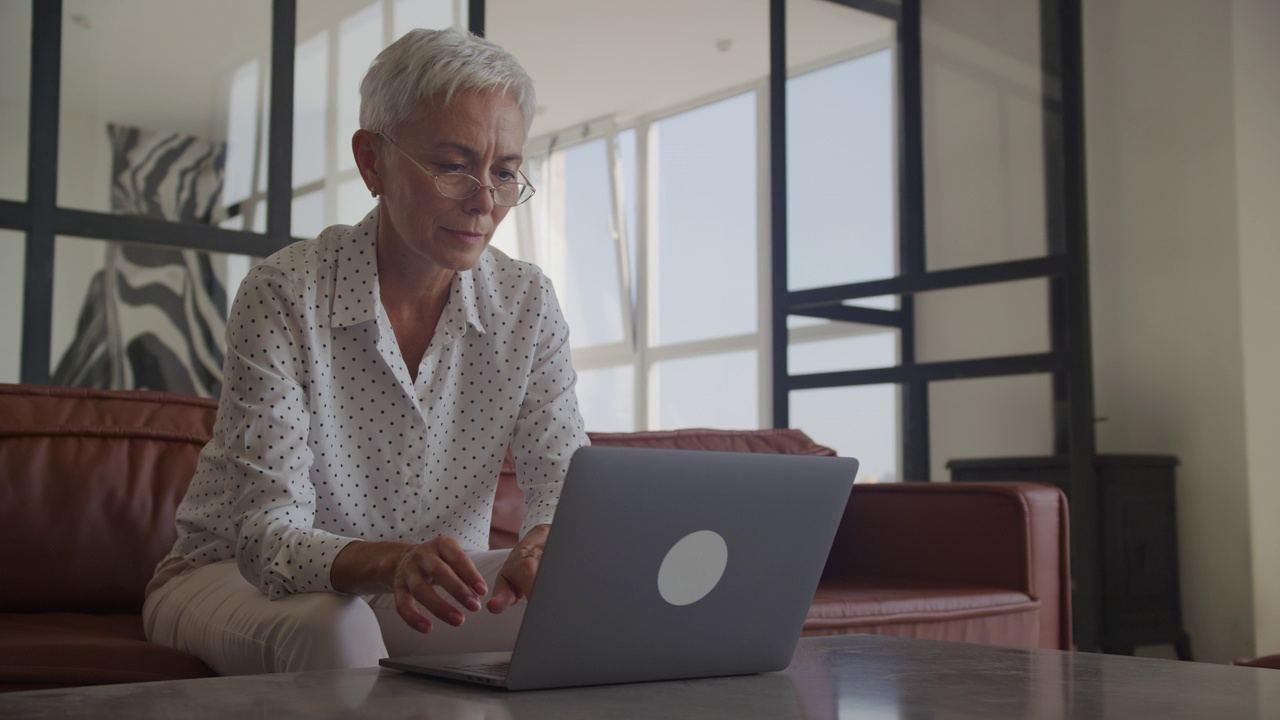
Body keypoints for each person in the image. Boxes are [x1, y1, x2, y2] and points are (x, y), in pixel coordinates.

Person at [143, 27, 588, 675]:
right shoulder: (287, 292)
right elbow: (265, 536)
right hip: (228, 577)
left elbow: (566, 480)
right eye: (453, 164)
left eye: (505, 171)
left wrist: (545, 542)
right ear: (372, 161)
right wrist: (387, 561)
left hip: (426, 591)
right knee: (336, 626)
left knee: (587, 605)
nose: (485, 202)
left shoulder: (527, 303)